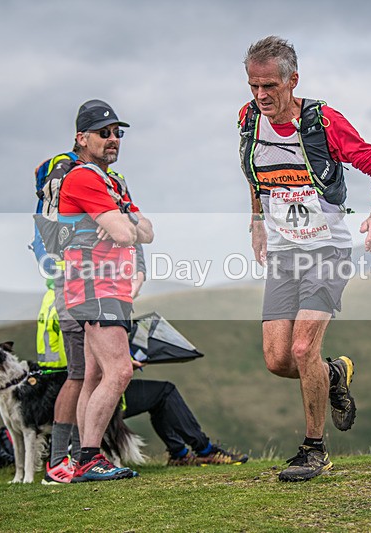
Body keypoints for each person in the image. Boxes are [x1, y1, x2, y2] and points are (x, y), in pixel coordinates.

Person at [238, 36, 371, 482]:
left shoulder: (324, 122)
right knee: (278, 359)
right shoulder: (248, 120)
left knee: (303, 347)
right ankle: (334, 373)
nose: (261, 95)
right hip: (285, 252)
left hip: (327, 247)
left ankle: (314, 450)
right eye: (253, 85)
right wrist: (256, 223)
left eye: (270, 85)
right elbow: (254, 174)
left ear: (293, 80)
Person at [37, 251, 249, 485]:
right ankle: (79, 459)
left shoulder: (59, 294)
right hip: (92, 323)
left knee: (147, 389)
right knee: (96, 377)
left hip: (86, 328)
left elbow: (138, 236)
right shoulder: (87, 278)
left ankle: (181, 453)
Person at [58, 99, 154, 482]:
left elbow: (147, 231)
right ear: (81, 138)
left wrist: (126, 222)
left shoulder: (111, 181)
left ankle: (84, 458)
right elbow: (126, 232)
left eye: (117, 133)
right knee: (120, 370)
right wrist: (125, 224)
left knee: (96, 375)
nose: (113, 139)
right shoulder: (83, 177)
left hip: (108, 286)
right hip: (95, 286)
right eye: (104, 133)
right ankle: (88, 458)